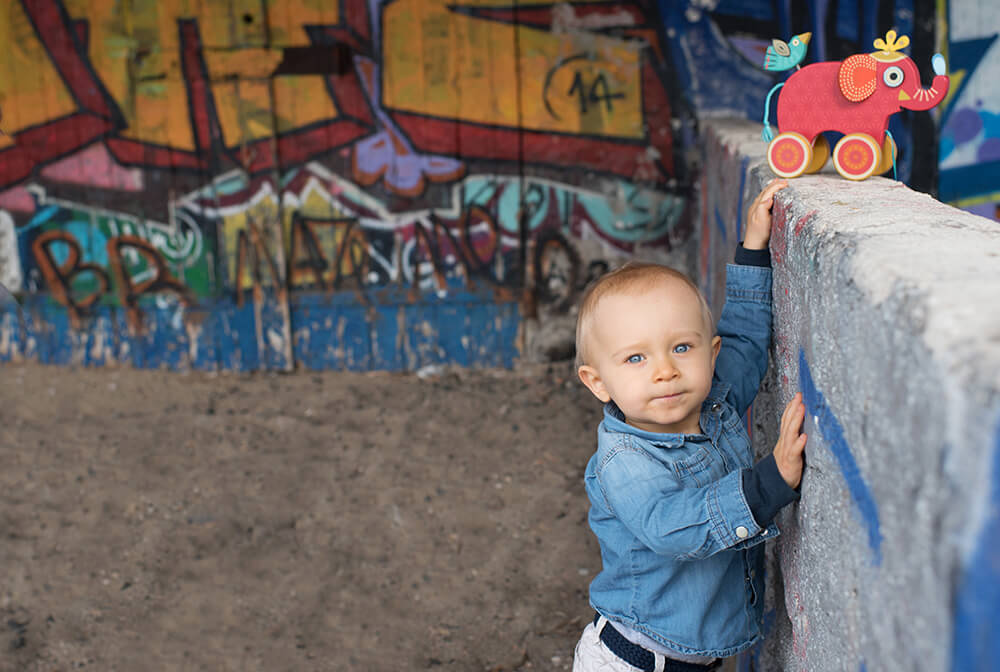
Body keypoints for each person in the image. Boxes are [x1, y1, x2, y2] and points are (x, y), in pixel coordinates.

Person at [571, 179, 806, 672]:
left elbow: (743, 336)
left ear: (708, 352)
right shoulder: (625, 462)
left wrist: (753, 248)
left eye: (681, 347)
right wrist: (770, 481)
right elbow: (678, 528)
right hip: (634, 661)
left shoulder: (713, 402)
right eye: (635, 358)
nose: (665, 370)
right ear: (598, 383)